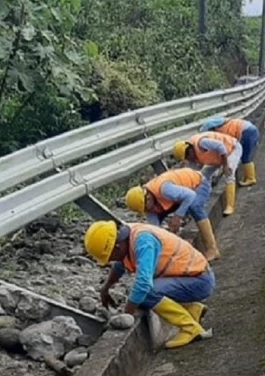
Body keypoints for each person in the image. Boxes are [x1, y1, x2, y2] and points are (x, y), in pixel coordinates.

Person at [83, 220, 215, 349]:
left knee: (147, 292)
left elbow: (143, 284)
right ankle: (193, 309)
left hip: (200, 281)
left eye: (110, 257)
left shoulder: (143, 242)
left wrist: (127, 313)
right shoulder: (128, 235)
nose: (112, 261)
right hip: (190, 276)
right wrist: (106, 288)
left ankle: (191, 328)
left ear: (117, 247)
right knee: (139, 295)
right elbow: (120, 264)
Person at [124, 167, 220, 261]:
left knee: (194, 207)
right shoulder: (149, 206)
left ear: (148, 198)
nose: (147, 210)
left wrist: (178, 216)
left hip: (198, 184)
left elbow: (190, 195)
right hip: (180, 196)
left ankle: (212, 249)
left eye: (145, 208)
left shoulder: (164, 189)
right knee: (159, 224)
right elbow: (155, 230)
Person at [172, 131, 241, 216]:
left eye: (187, 157)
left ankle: (230, 206)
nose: (188, 159)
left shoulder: (201, 143)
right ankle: (202, 200)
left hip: (231, 149)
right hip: (217, 158)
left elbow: (221, 146)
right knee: (202, 176)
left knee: (229, 174)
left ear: (189, 150)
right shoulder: (192, 155)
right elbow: (193, 174)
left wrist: (225, 165)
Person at [199, 117, 260, 187]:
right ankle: (249, 177)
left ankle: (251, 178)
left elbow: (228, 147)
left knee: (245, 157)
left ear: (213, 129)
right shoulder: (227, 124)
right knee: (246, 155)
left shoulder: (224, 131)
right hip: (250, 130)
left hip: (248, 133)